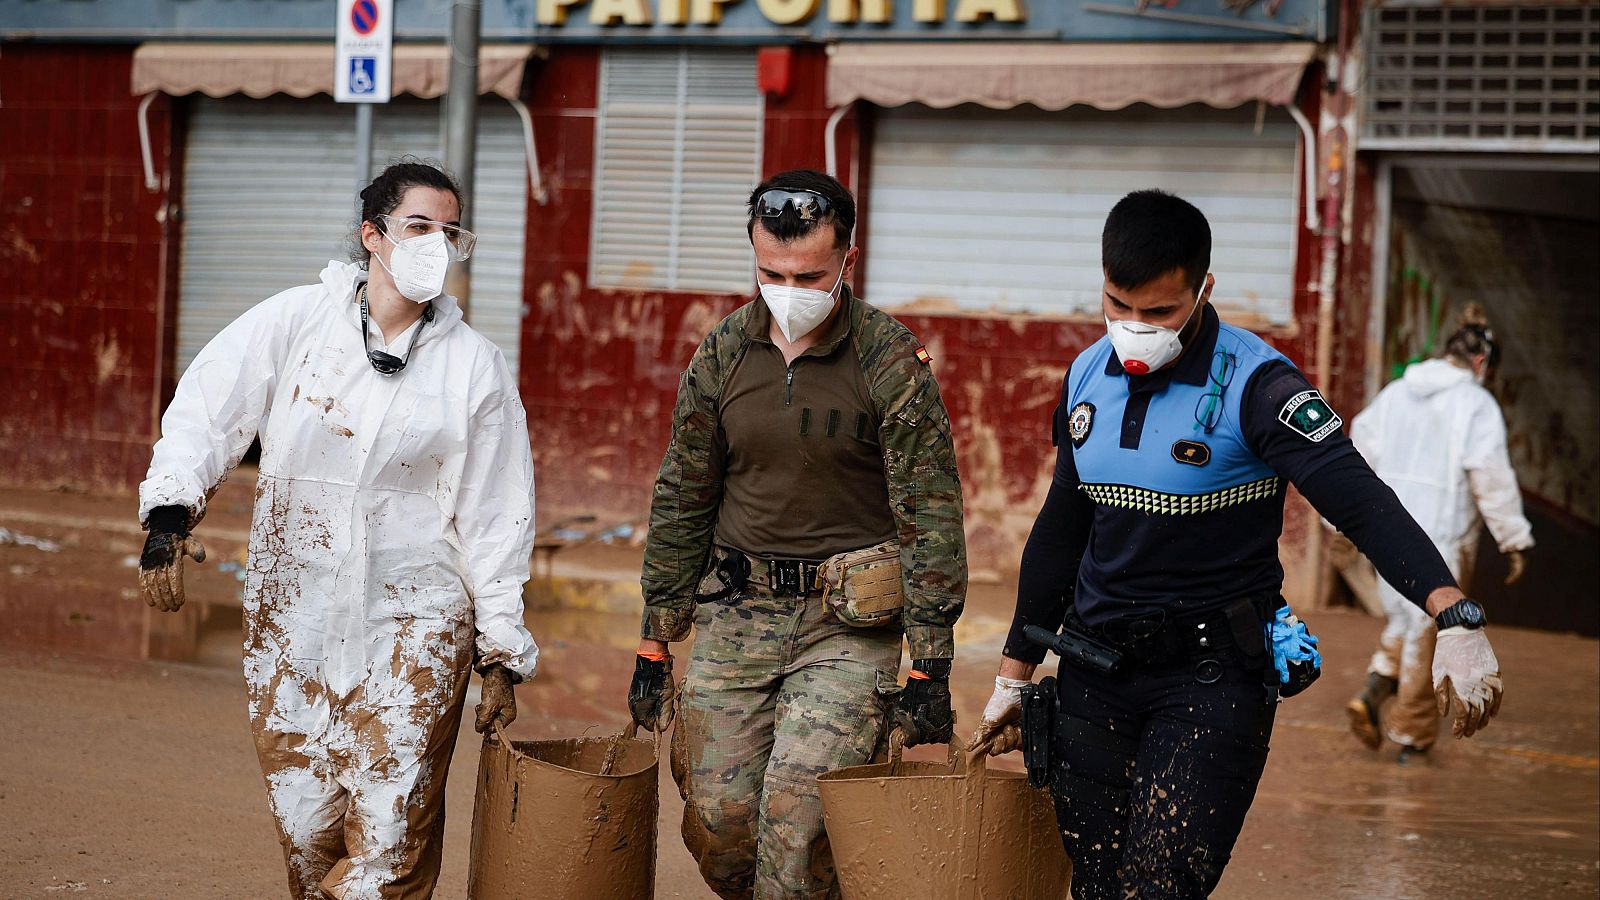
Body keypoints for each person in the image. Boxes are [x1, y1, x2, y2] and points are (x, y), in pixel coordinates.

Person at [971, 189, 1506, 899]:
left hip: (1210, 679)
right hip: (1092, 676)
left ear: (1203, 290)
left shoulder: (1262, 388)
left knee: (1161, 887)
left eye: (1158, 312)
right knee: (1097, 884)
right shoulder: (1083, 377)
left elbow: (1363, 502)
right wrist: (1013, 675)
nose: (1134, 329)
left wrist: (1452, 611)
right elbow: (1060, 533)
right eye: (1117, 305)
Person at [136, 159, 537, 899]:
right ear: (372, 236)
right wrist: (169, 509)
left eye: (450, 232)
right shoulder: (296, 323)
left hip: (418, 624)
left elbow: (496, 512)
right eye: (419, 227)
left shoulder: (475, 368)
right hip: (296, 619)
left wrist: (500, 646)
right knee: (308, 835)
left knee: (389, 847)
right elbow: (209, 408)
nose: (435, 245)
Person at [626, 169, 967, 899]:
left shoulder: (890, 360)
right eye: (770, 272)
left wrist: (929, 662)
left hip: (846, 624)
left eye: (808, 273)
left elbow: (929, 510)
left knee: (799, 818)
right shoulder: (721, 353)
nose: (788, 287)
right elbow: (683, 494)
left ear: (848, 257)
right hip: (736, 611)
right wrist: (655, 640)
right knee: (720, 826)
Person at [1344, 307, 1532, 763]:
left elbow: (1354, 453)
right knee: (1432, 634)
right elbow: (1489, 474)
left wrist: (1343, 524)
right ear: (1482, 364)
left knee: (1408, 623)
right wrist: (1514, 537)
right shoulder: (1477, 405)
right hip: (1441, 539)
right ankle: (1412, 737)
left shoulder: (1395, 393)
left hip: (1387, 535)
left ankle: (1372, 692)